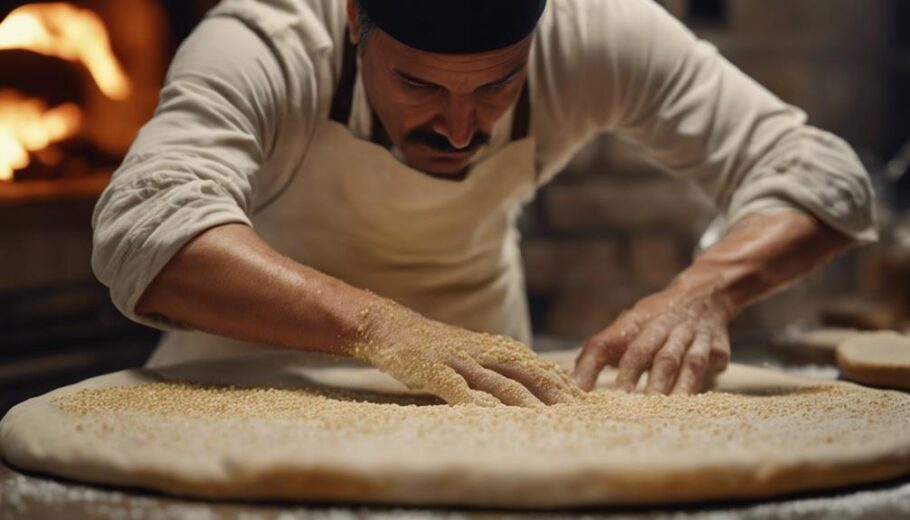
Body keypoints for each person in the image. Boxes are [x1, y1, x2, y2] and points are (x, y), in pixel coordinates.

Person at [92, 0, 876, 406]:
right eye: (420, 85)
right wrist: (383, 327)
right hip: (246, 377)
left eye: (499, 85)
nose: (461, 126)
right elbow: (146, 228)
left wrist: (703, 291)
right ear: (357, 22)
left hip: (487, 394)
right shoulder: (263, 42)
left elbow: (821, 174)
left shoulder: (597, 32)